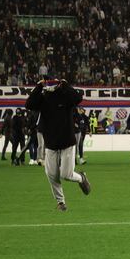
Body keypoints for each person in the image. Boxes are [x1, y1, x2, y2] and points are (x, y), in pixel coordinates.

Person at [26, 79, 91, 211]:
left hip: (67, 142)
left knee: (66, 175)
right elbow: (29, 104)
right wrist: (38, 86)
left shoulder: (65, 97)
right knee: (51, 174)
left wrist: (66, 85)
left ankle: (81, 178)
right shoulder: (43, 99)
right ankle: (61, 202)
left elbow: (78, 98)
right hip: (51, 144)